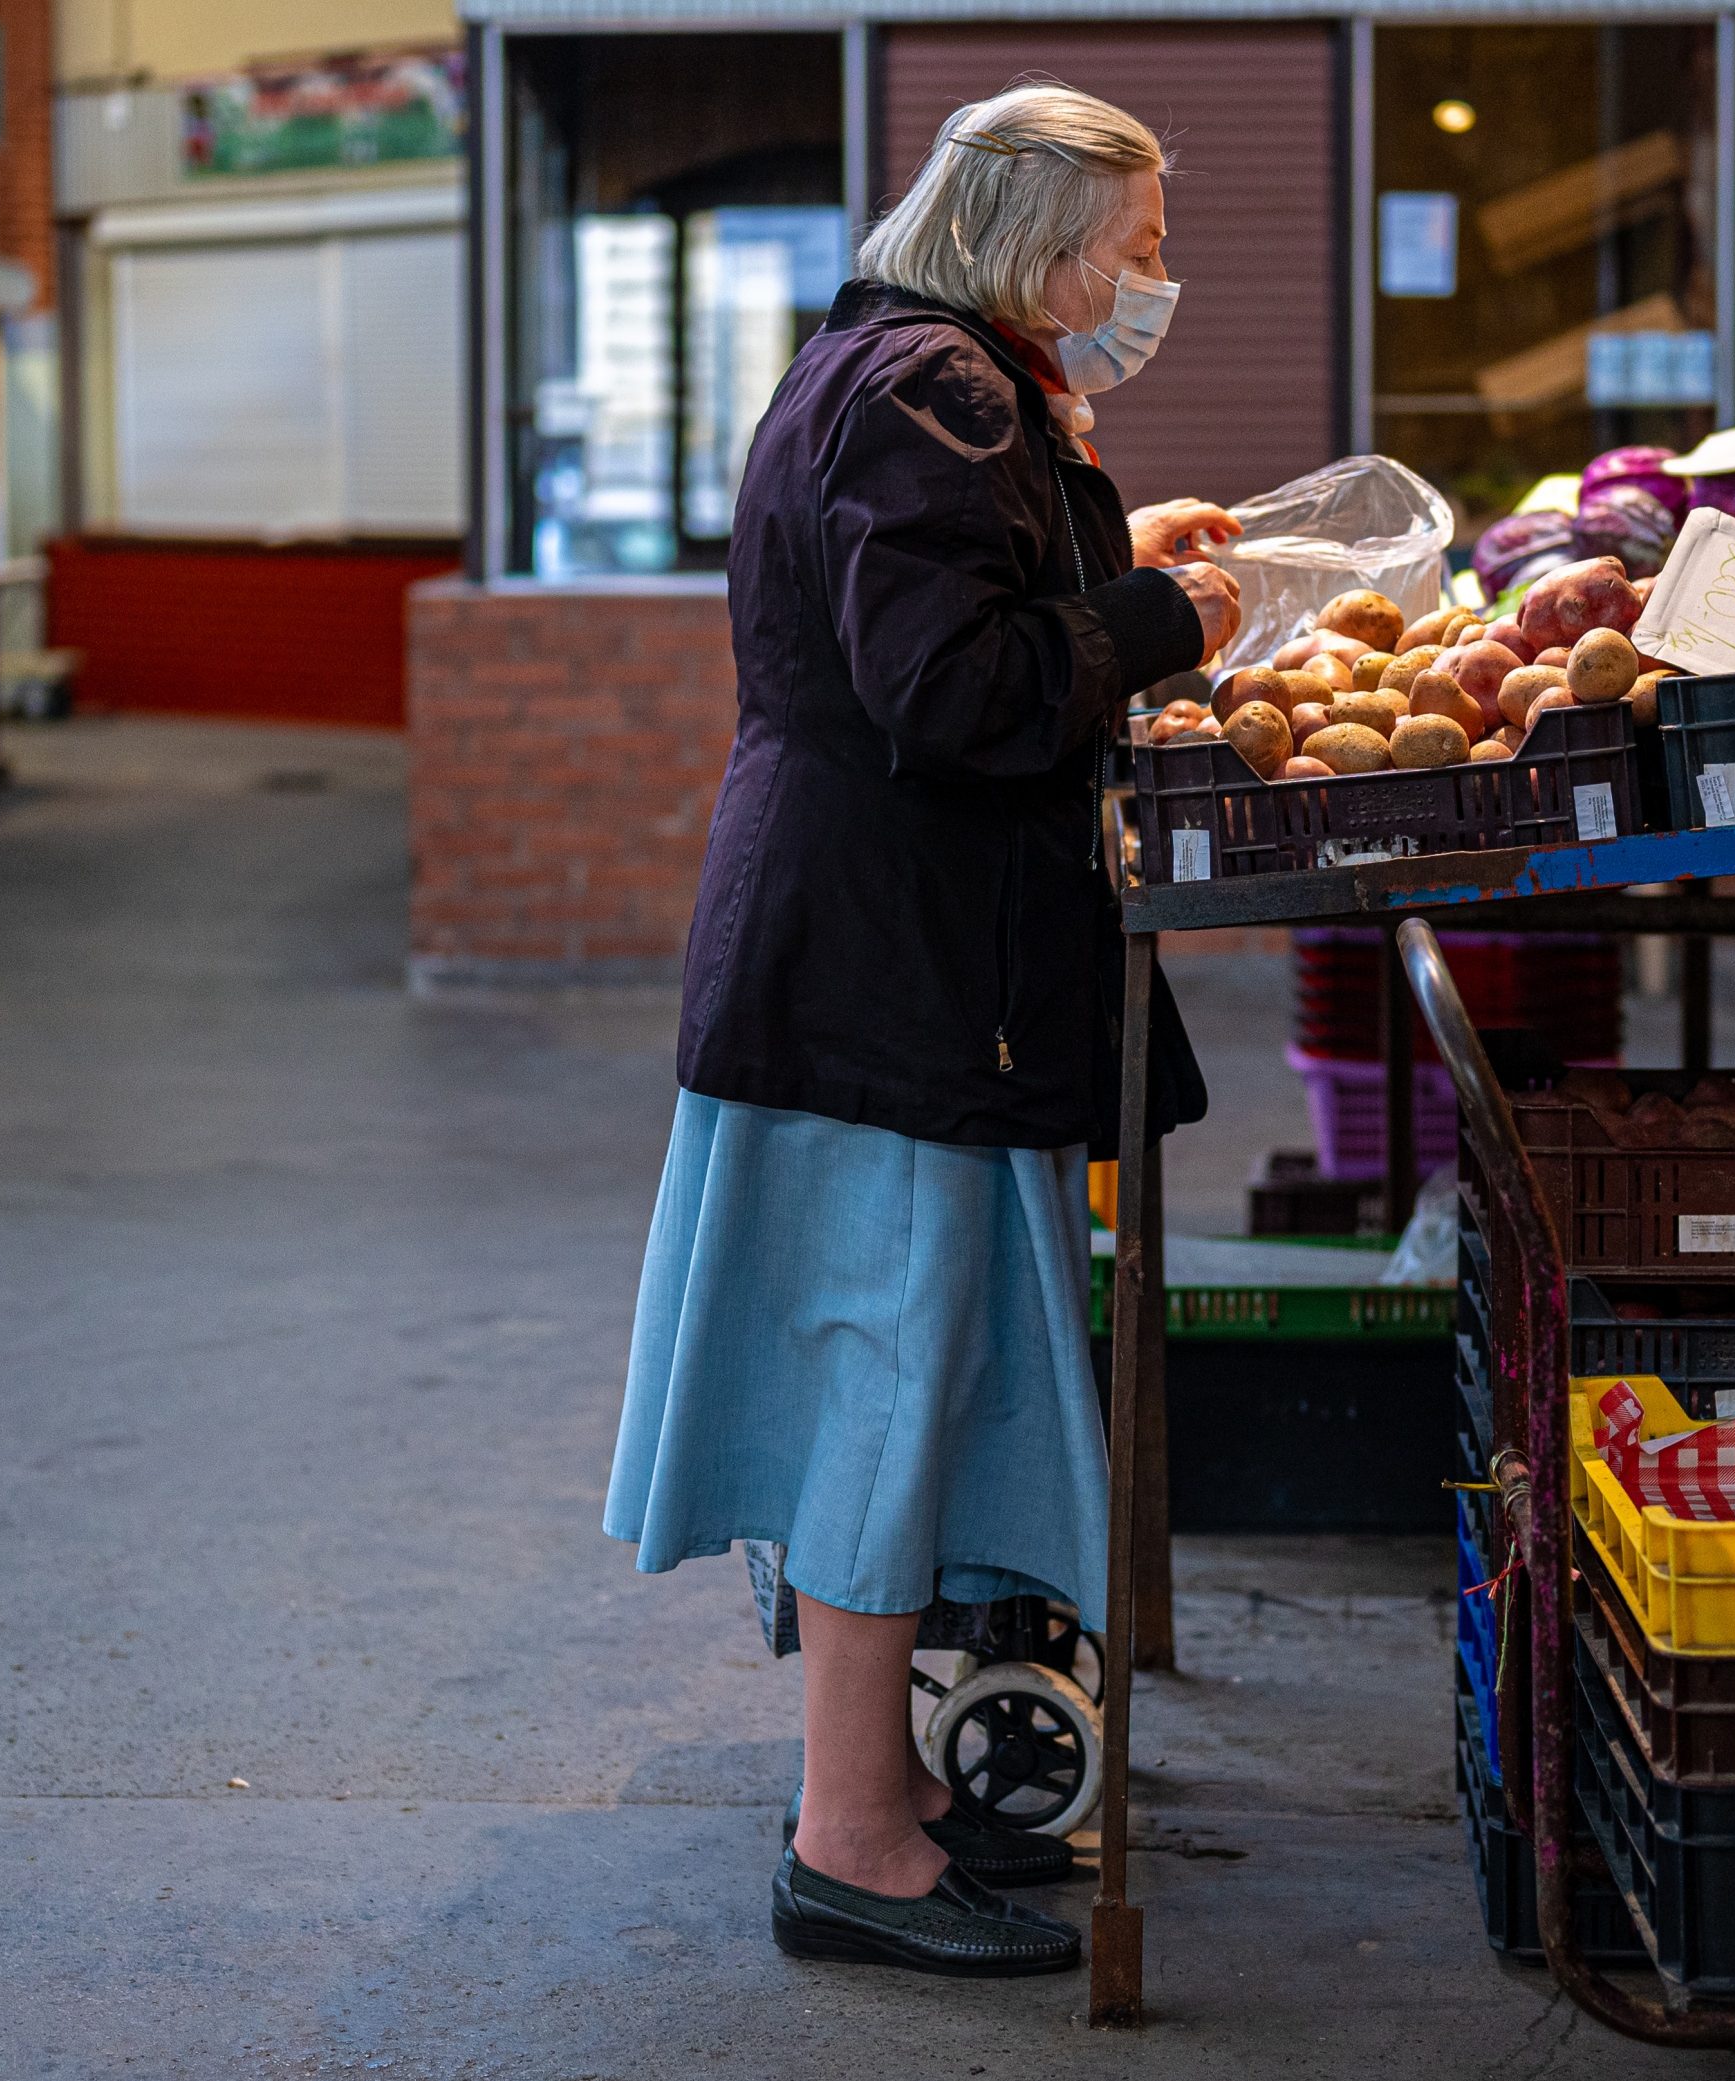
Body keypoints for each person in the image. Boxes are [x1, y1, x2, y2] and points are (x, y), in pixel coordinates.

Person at [600, 83, 1240, 1979]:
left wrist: (1113, 560)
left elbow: (953, 605)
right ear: (1035, 243)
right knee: (878, 1392)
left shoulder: (922, 376)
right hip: (887, 970)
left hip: (878, 956)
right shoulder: (930, 392)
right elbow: (952, 687)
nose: (1146, 285)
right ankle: (851, 1840)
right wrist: (1154, 617)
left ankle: (888, 1791)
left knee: (903, 1379)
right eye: (1128, 253)